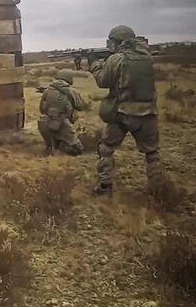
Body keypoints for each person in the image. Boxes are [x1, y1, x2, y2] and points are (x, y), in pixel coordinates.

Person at [89, 25, 160, 196]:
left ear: (117, 41)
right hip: (148, 113)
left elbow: (103, 81)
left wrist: (95, 66)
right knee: (152, 153)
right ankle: (159, 189)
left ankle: (105, 187)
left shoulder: (117, 59)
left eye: (111, 41)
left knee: (106, 148)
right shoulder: (147, 58)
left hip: (123, 113)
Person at [38, 69, 85, 156]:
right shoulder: (71, 91)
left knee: (51, 146)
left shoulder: (47, 90)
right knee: (78, 149)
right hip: (64, 123)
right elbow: (80, 106)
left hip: (45, 123)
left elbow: (41, 109)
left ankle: (52, 148)